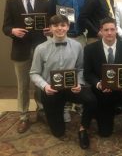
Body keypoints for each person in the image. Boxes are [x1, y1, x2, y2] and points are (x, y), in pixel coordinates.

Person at [29, 15, 97, 149]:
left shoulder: (77, 46)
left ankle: (83, 128)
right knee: (58, 132)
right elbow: (34, 73)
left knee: (92, 100)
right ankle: (54, 114)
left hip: (72, 88)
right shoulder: (40, 48)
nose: (59, 28)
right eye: (55, 25)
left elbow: (81, 68)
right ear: (50, 28)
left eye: (62, 25)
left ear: (68, 26)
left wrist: (79, 83)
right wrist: (45, 86)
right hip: (51, 90)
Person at [83, 17, 122, 152]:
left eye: (112, 29)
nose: (109, 33)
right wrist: (98, 84)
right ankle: (108, 113)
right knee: (105, 133)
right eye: (106, 30)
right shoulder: (90, 49)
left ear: (116, 30)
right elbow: (87, 74)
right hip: (103, 93)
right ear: (101, 31)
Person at [2, 0, 49, 133]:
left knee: (40, 84)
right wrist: (12, 31)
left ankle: (42, 111)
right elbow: (5, 26)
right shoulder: (11, 2)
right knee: (23, 85)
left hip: (40, 50)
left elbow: (50, 25)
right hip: (20, 51)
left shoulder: (45, 2)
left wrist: (49, 30)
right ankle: (23, 116)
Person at [48, 0, 86, 122]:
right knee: (62, 70)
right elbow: (49, 17)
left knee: (79, 69)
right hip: (61, 37)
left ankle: (79, 104)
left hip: (79, 38)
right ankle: (64, 107)